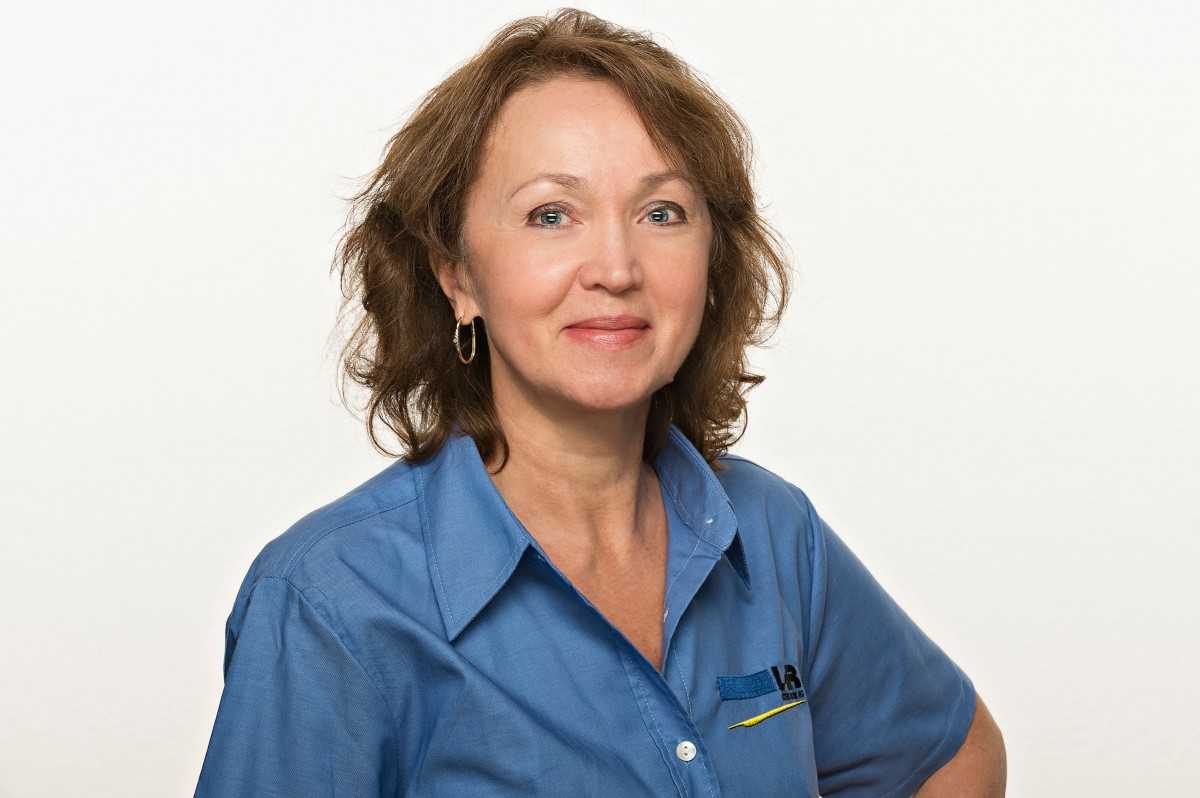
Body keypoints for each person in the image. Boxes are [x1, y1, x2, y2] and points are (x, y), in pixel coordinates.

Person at [195, 9, 1005, 796]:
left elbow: (953, 756)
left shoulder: (771, 531)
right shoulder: (331, 601)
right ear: (457, 276)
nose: (616, 268)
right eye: (551, 215)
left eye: (662, 213)